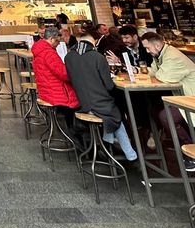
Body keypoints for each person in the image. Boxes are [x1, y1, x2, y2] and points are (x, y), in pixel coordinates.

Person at [65, 32, 137, 161]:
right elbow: (109, 86)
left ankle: (110, 144)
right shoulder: (98, 57)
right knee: (116, 114)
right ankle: (130, 154)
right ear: (93, 43)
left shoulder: (68, 57)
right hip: (99, 103)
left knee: (111, 113)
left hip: (82, 102)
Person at [141, 31, 195, 164]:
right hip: (182, 98)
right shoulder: (161, 55)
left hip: (191, 98)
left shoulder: (172, 56)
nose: (147, 51)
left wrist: (153, 74)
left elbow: (163, 78)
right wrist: (140, 71)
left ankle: (189, 149)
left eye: (148, 48)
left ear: (158, 45)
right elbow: (153, 71)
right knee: (155, 111)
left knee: (166, 116)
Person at [31, 27, 80, 136]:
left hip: (46, 91)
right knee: (80, 105)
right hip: (56, 93)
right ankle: (76, 137)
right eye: (58, 41)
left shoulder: (39, 50)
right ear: (52, 39)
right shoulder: (49, 53)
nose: (58, 44)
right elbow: (63, 74)